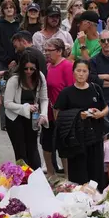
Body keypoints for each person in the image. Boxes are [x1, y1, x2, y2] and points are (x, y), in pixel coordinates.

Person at [54, 59, 108, 186]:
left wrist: (100, 114)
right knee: (79, 173)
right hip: (76, 140)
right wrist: (78, 117)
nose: (81, 74)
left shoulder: (96, 88)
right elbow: (58, 115)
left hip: (95, 136)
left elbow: (106, 107)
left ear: (89, 73)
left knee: (96, 172)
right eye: (78, 70)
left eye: (84, 71)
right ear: (73, 72)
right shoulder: (66, 93)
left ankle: (97, 198)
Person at [3, 51, 48, 169]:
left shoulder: (40, 77)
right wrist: (26, 107)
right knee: (21, 151)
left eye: (32, 69)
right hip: (14, 118)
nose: (28, 72)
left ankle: (36, 176)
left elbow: (44, 99)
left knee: (32, 148)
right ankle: (23, 178)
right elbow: (7, 103)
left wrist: (43, 114)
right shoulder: (14, 80)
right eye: (26, 69)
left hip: (32, 117)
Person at [44, 38, 73, 176]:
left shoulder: (67, 66)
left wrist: (63, 110)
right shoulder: (48, 66)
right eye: (45, 50)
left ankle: (68, 176)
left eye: (50, 51)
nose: (46, 53)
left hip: (63, 113)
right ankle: (50, 174)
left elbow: (71, 90)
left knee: (64, 147)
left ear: (60, 51)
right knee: (47, 144)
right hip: (48, 112)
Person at [0, 0, 21, 72]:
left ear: (14, 9)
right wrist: (9, 61)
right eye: (6, 8)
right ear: (3, 11)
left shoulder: (19, 25)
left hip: (18, 61)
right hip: (3, 62)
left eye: (11, 7)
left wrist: (16, 60)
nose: (9, 9)